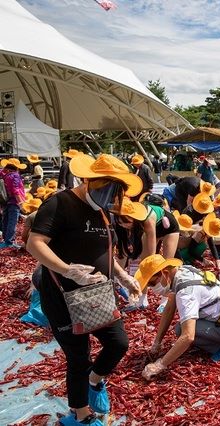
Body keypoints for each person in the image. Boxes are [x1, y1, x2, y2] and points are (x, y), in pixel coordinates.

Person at [26, 153, 143, 426]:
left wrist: (124, 277)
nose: (111, 195)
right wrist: (68, 271)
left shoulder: (101, 211)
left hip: (97, 293)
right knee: (78, 356)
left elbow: (105, 252)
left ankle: (95, 380)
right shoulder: (60, 203)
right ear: (89, 180)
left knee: (118, 343)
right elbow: (35, 243)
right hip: (63, 294)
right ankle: (80, 414)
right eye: (106, 187)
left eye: (116, 190)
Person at [140, 256, 220, 380]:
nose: (152, 288)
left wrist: (160, 365)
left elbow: (188, 337)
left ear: (164, 273)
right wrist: (157, 342)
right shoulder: (183, 271)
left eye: (152, 283)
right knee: (180, 328)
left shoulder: (186, 292)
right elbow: (170, 309)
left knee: (183, 331)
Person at [1, 158, 27, 248]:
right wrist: (20, 202)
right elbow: (16, 190)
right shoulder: (15, 175)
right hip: (14, 201)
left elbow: (1, 171)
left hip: (6, 201)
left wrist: (5, 168)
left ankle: (6, 240)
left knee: (6, 221)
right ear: (16, 167)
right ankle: (9, 241)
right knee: (12, 221)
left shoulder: (6, 175)